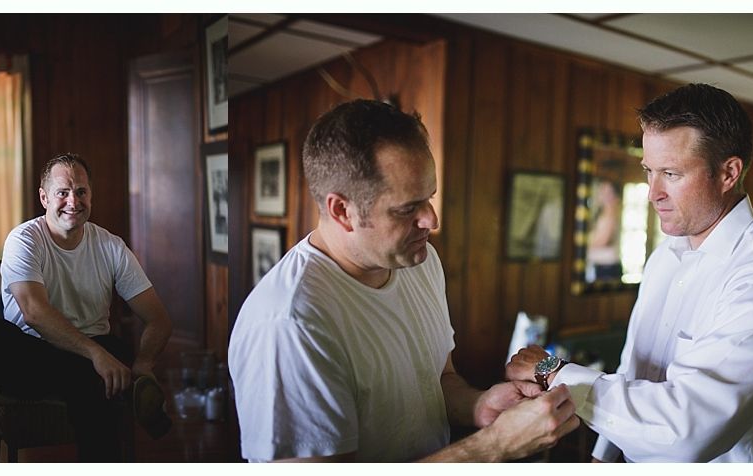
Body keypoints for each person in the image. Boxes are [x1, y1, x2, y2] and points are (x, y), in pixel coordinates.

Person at [228, 99, 579, 462]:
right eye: (407, 208)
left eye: (429, 197)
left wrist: (478, 405)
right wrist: (495, 446)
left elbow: (438, 379)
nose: (431, 220)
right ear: (341, 211)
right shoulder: (289, 325)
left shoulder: (419, 261)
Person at [508, 83, 753, 462]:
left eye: (671, 173)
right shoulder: (664, 257)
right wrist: (603, 459)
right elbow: (632, 371)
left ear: (728, 173)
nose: (652, 192)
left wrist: (553, 371)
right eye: (648, 171)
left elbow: (687, 431)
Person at [0, 153, 174, 461]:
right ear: (44, 197)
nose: (73, 200)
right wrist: (96, 357)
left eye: (81, 191)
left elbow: (158, 319)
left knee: (107, 358)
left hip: (92, 350)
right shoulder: (25, 239)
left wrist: (144, 363)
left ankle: (96, 377)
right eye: (62, 192)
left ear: (90, 195)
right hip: (32, 353)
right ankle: (111, 384)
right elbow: (34, 313)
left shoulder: (111, 246)